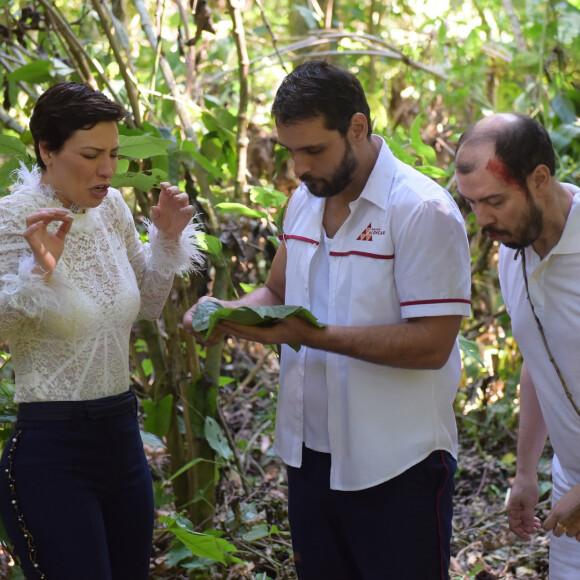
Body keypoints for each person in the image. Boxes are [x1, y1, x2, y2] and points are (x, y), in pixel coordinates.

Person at [184, 59, 472, 579]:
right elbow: (277, 288)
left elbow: (432, 344)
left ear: (357, 128)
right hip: (310, 457)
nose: (299, 167)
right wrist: (223, 314)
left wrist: (310, 337)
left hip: (397, 462)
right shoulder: (304, 201)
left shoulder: (421, 211)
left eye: (313, 150)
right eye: (291, 151)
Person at [0, 82, 202, 579]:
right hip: (51, 450)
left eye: (112, 153)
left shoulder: (110, 208)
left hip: (121, 436)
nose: (108, 169)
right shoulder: (11, 219)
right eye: (91, 155)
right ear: (47, 150)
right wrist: (40, 271)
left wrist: (168, 241)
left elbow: (148, 306)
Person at [455, 112, 580, 579]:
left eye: (494, 201)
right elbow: (540, 359)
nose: (482, 220)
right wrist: (525, 472)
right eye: (471, 204)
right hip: (568, 486)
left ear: (540, 179)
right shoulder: (512, 252)